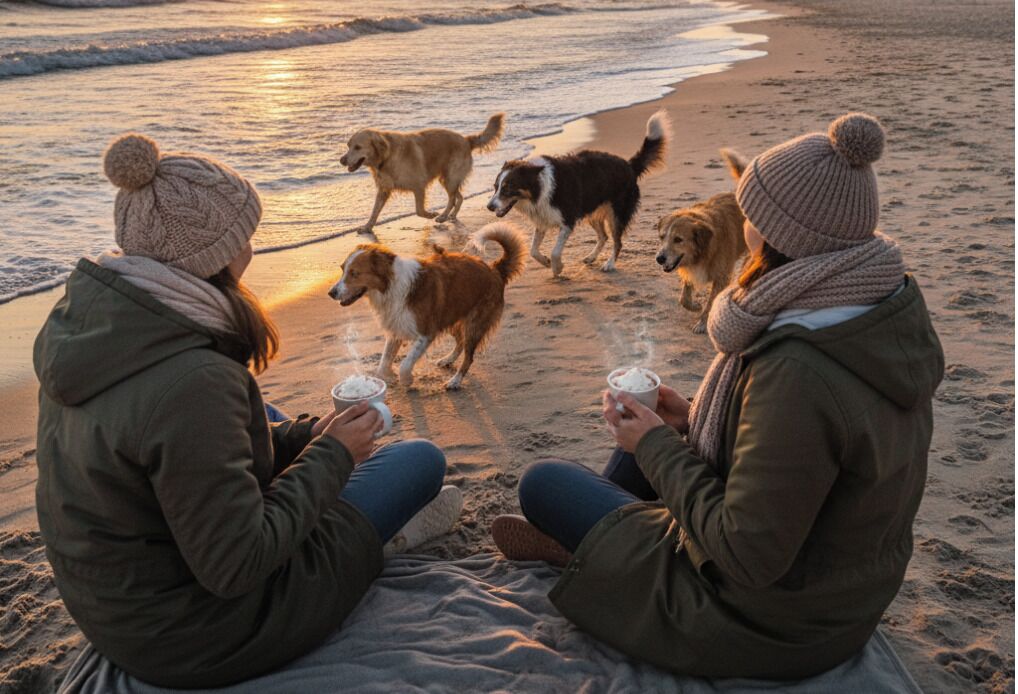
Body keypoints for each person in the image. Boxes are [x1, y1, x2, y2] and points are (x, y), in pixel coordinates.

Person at [492, 113, 945, 679]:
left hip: (769, 620)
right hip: (837, 592)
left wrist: (659, 446)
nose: (741, 221)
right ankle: (594, 543)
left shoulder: (799, 372)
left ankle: (588, 551)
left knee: (544, 483)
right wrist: (693, 420)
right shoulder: (873, 312)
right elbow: (799, 464)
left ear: (782, 236)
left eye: (749, 212)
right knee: (630, 454)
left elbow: (747, 554)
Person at [34, 134, 461, 688]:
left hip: (120, 612)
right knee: (418, 461)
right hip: (211, 634)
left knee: (269, 410)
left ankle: (346, 493)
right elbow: (237, 565)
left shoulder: (86, 330)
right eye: (245, 237)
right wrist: (332, 455)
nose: (251, 250)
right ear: (215, 252)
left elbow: (186, 444)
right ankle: (384, 540)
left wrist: (310, 436)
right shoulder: (194, 385)